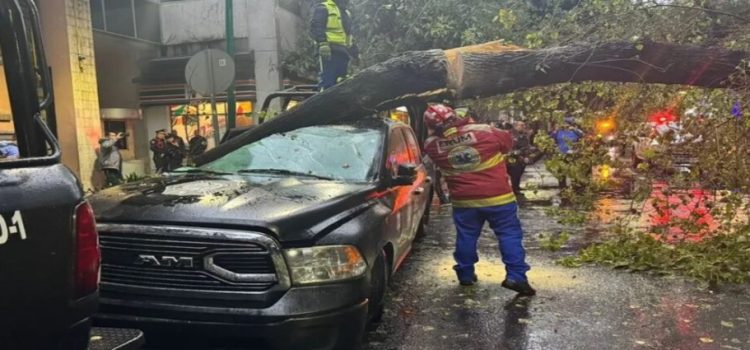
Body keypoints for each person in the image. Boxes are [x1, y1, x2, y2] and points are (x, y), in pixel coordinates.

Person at [422, 104, 535, 296]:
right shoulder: (484, 131)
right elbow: (508, 143)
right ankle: (516, 276)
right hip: (498, 198)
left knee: (466, 236)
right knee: (509, 235)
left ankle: (465, 274)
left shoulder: (431, 145)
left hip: (464, 202)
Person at [311, 0, 358, 90]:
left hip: (343, 51)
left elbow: (348, 34)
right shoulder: (324, 8)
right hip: (329, 50)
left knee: (341, 81)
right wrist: (323, 43)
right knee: (328, 81)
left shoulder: (346, 12)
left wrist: (355, 53)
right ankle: (324, 101)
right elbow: (317, 26)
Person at [550, 116, 584, 189]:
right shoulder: (559, 132)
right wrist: (555, 130)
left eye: (566, 123)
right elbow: (551, 138)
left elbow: (582, 135)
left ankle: (576, 187)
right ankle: (562, 188)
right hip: (561, 154)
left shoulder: (574, 131)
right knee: (561, 172)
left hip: (573, 154)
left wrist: (574, 129)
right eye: (563, 123)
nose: (564, 125)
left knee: (574, 172)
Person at [507, 121, 536, 200]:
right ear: (516, 126)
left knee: (520, 172)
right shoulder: (511, 134)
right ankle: (514, 189)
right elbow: (510, 145)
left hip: (522, 157)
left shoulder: (524, 135)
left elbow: (526, 145)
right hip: (513, 157)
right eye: (521, 125)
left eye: (524, 125)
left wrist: (528, 153)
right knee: (515, 173)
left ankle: (516, 187)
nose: (523, 127)